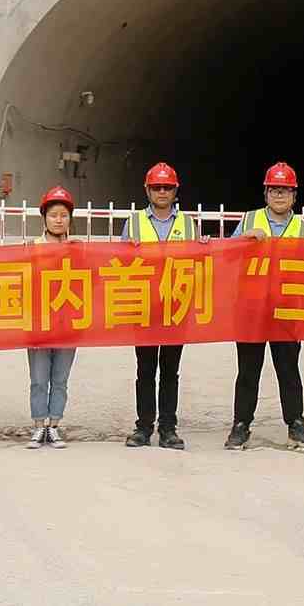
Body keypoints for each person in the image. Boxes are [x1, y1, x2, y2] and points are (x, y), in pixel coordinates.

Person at [228, 161, 304, 451]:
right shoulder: (249, 220)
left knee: (289, 369)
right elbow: (227, 254)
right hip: (252, 308)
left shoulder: (302, 228)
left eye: (286, 190)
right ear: (265, 193)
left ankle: (296, 424)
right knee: (248, 370)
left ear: (294, 196)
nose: (280, 195)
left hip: (287, 309)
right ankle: (241, 425)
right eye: (274, 190)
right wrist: (245, 238)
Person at [128, 160, 196, 450]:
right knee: (145, 370)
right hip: (144, 307)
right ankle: (144, 426)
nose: (162, 191)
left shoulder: (187, 224)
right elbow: (118, 263)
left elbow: (200, 263)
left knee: (170, 371)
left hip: (175, 308)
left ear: (175, 190)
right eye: (157, 187)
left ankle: (168, 427)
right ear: (147, 190)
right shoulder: (133, 223)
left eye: (167, 187)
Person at [27, 185, 81, 449]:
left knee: (60, 379)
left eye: (63, 214)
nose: (59, 220)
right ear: (44, 218)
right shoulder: (31, 248)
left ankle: (55, 425)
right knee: (39, 379)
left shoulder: (78, 249)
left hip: (68, 324)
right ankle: (39, 425)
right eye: (53, 215)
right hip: (39, 324)